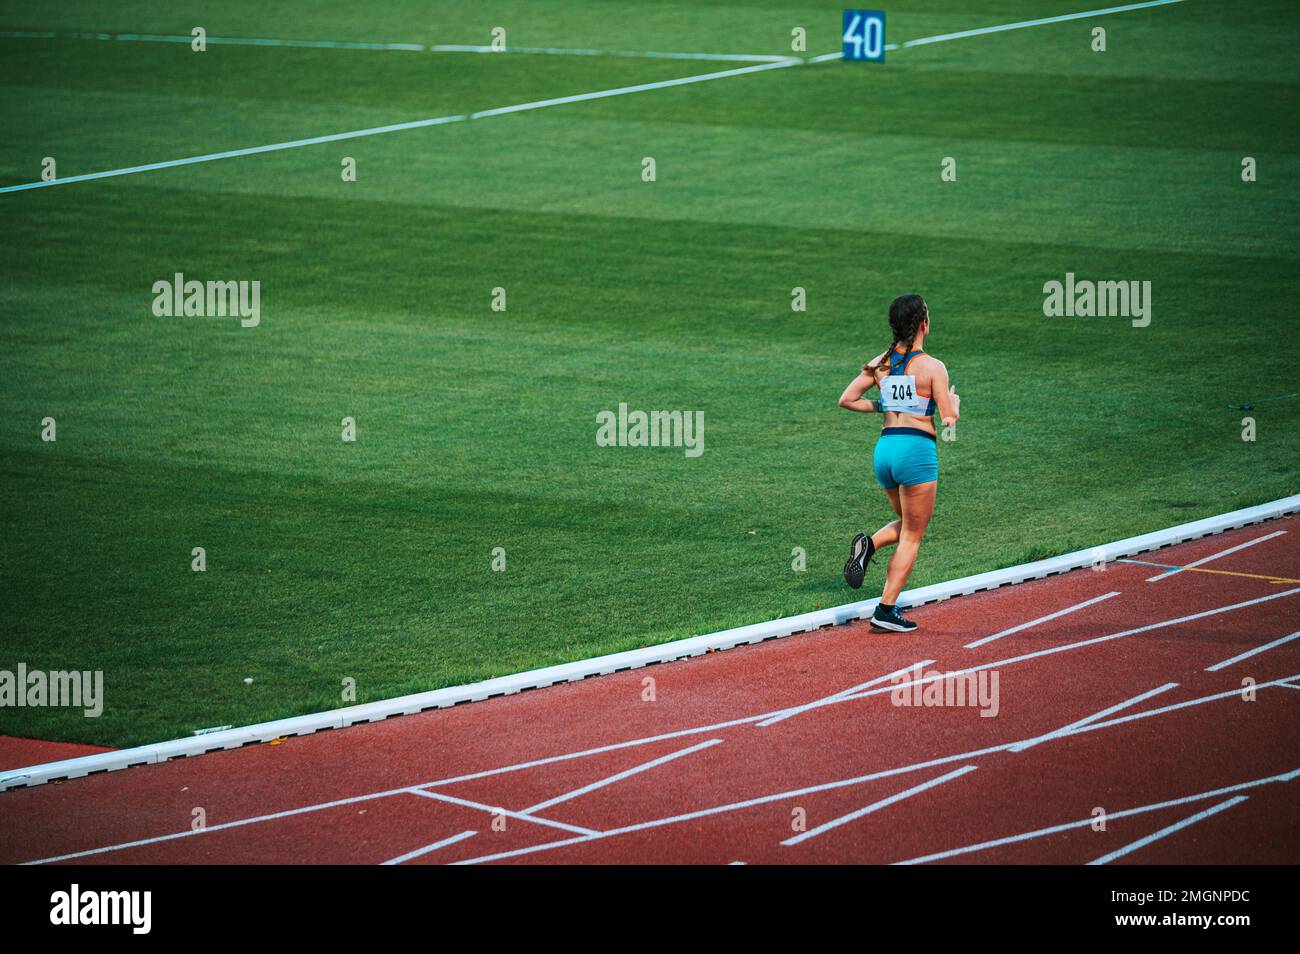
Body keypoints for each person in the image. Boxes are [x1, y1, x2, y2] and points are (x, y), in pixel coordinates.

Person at [837, 294, 960, 632]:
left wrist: (884, 406)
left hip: (885, 451)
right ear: (923, 325)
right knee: (913, 535)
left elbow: (847, 399)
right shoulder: (933, 367)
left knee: (907, 522)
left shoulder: (880, 363)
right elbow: (948, 419)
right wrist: (954, 407)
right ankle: (886, 609)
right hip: (916, 451)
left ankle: (869, 545)